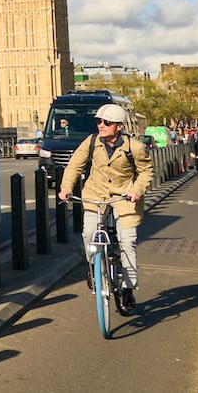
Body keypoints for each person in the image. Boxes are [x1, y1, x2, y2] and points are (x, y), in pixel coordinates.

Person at [57, 103, 154, 312]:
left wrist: (136, 190)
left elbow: (146, 171)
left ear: (118, 126)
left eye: (106, 122)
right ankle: (94, 269)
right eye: (99, 122)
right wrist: (66, 188)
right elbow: (75, 165)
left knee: (128, 243)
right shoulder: (92, 142)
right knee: (88, 234)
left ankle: (128, 288)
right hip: (95, 195)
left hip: (124, 197)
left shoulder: (134, 147)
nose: (101, 125)